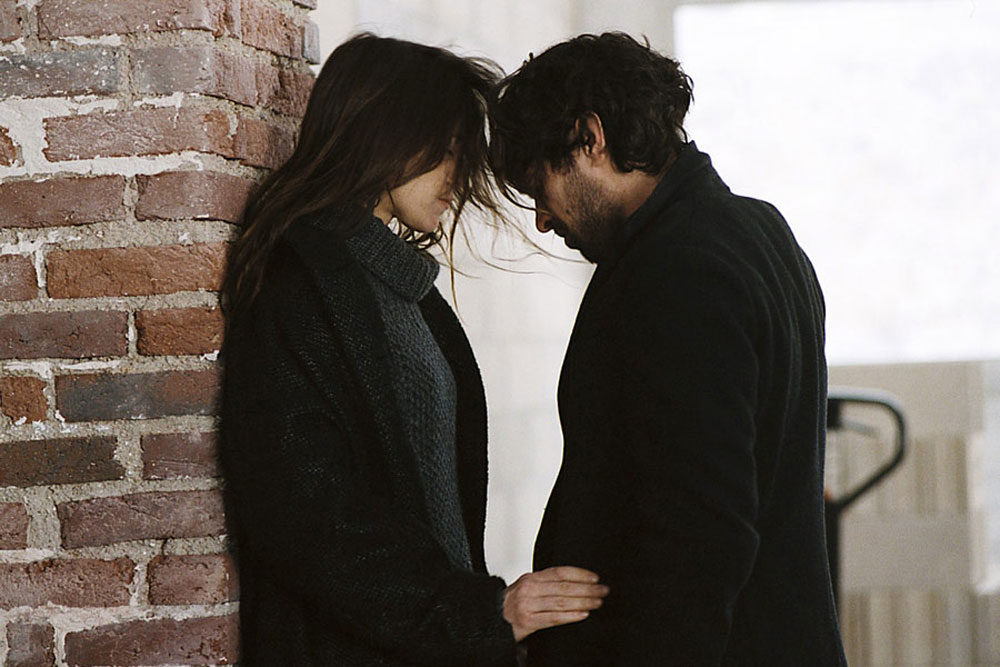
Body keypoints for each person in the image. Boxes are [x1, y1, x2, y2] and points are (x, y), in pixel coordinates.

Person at [219, 33, 608, 666]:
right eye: (447, 150)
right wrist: (479, 614)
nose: (460, 175)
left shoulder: (399, 288)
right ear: (386, 136)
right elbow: (307, 517)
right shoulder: (300, 284)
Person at [488, 32, 848, 665]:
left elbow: (702, 533)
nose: (542, 218)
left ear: (590, 138)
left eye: (539, 185)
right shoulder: (760, 231)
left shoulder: (677, 266)